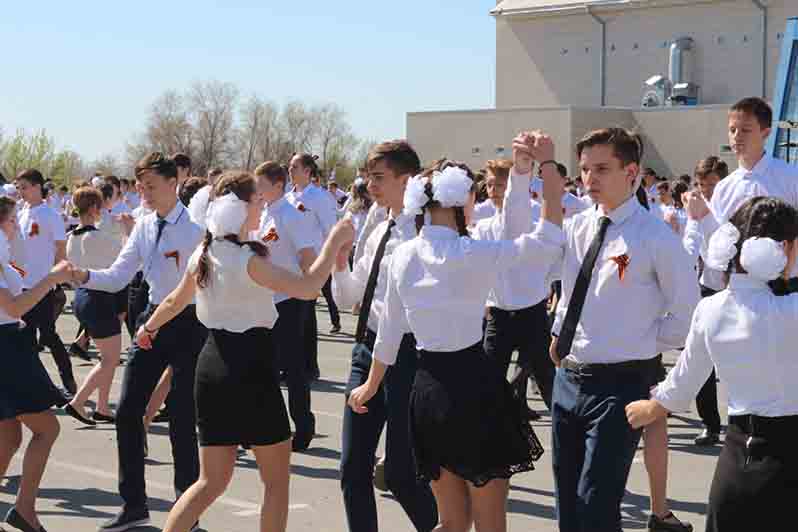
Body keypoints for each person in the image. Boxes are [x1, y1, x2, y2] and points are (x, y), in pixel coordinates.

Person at [348, 132, 561, 531]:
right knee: (490, 520)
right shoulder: (472, 253)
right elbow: (547, 239)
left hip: (426, 393)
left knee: (450, 521)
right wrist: (545, 167)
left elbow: (389, 334)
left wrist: (370, 386)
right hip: (474, 388)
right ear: (457, 201)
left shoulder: (404, 256)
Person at [134, 171, 354, 532]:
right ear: (237, 209)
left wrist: (148, 328)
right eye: (255, 200)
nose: (261, 205)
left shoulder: (204, 253)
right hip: (250, 368)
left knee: (210, 482)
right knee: (276, 483)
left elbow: (174, 300)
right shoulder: (246, 260)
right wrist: (335, 240)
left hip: (211, 366)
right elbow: (308, 287)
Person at [547, 128, 699, 532]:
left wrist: (641, 342)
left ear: (631, 172)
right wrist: (559, 333)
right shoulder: (578, 227)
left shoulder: (655, 237)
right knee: (567, 503)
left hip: (622, 384)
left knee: (596, 504)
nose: (589, 179)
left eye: (601, 169)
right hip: (569, 378)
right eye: (584, 170)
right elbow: (567, 291)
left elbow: (687, 314)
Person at [627, 196, 798, 532]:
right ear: (782, 248)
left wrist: (652, 407)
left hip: (737, 459)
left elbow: (683, 382)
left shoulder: (712, 310)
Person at [71, 152, 206, 532]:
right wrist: (82, 275)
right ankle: (134, 507)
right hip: (151, 320)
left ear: (172, 184)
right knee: (129, 411)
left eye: (150, 185)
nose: (143, 192)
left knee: (181, 418)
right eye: (140, 185)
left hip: (190, 323)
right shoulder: (145, 225)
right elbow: (116, 276)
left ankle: (187, 514)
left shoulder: (196, 227)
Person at [331, 140, 439, 532]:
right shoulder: (377, 230)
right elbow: (350, 296)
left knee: (402, 472)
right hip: (367, 349)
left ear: (405, 179)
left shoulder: (425, 234)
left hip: (408, 358)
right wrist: (339, 264)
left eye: (379, 178)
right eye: (368, 177)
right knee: (352, 468)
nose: (370, 185)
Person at [0, 196, 72, 532]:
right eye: (13, 220)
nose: (18, 225)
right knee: (47, 428)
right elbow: (14, 307)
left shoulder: (5, 255)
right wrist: (52, 279)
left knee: (9, 436)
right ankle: (25, 509)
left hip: (10, 343)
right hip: (6, 348)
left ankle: (23, 510)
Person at [475, 155, 556, 422]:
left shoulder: (530, 217)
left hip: (531, 311)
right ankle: (488, 437)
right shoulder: (484, 226)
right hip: (499, 313)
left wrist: (546, 288)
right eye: (489, 185)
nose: (493, 190)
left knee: (547, 377)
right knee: (488, 377)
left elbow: (548, 253)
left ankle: (567, 426)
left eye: (500, 184)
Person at [253, 161, 321, 452]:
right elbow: (268, 244)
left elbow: (307, 257)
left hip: (290, 300)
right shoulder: (267, 213)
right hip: (266, 299)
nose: (256, 191)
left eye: (261, 185)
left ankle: (303, 427)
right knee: (263, 367)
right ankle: (264, 427)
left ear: (277, 185)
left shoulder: (293, 216)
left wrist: (309, 290)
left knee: (293, 369)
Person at [697, 97, 798, 286]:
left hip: (786, 283)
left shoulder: (791, 177)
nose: (737, 136)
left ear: (765, 132)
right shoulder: (723, 188)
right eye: (732, 130)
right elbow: (719, 241)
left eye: (745, 130)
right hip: (739, 286)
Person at [64, 187, 126, 426]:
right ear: (92, 209)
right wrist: (129, 230)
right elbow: (125, 258)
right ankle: (78, 402)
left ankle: (102, 407)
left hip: (82, 297)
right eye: (99, 207)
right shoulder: (97, 237)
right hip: (99, 298)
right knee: (109, 359)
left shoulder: (73, 236)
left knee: (106, 357)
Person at [14, 169, 76, 396]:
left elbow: (61, 249)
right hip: (21, 286)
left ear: (38, 187)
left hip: (44, 285)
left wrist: (58, 277)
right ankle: (36, 386)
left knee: (48, 335)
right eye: (19, 188)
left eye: (25, 187)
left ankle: (68, 381)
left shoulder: (50, 215)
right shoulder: (20, 213)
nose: (21, 192)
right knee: (27, 337)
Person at [681, 156, 729, 446]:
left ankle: (744, 423)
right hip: (705, 290)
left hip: (733, 292)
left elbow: (721, 251)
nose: (707, 190)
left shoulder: (731, 208)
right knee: (701, 359)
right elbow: (689, 252)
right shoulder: (696, 210)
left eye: (712, 184)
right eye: (702, 184)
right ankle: (710, 423)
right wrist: (692, 220)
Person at [287, 153, 341, 335]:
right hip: (288, 266)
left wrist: (324, 263)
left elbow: (331, 231)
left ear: (307, 171)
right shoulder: (288, 198)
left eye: (295, 167)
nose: (290, 170)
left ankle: (308, 363)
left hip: (311, 267)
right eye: (290, 166)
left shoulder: (319, 197)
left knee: (305, 319)